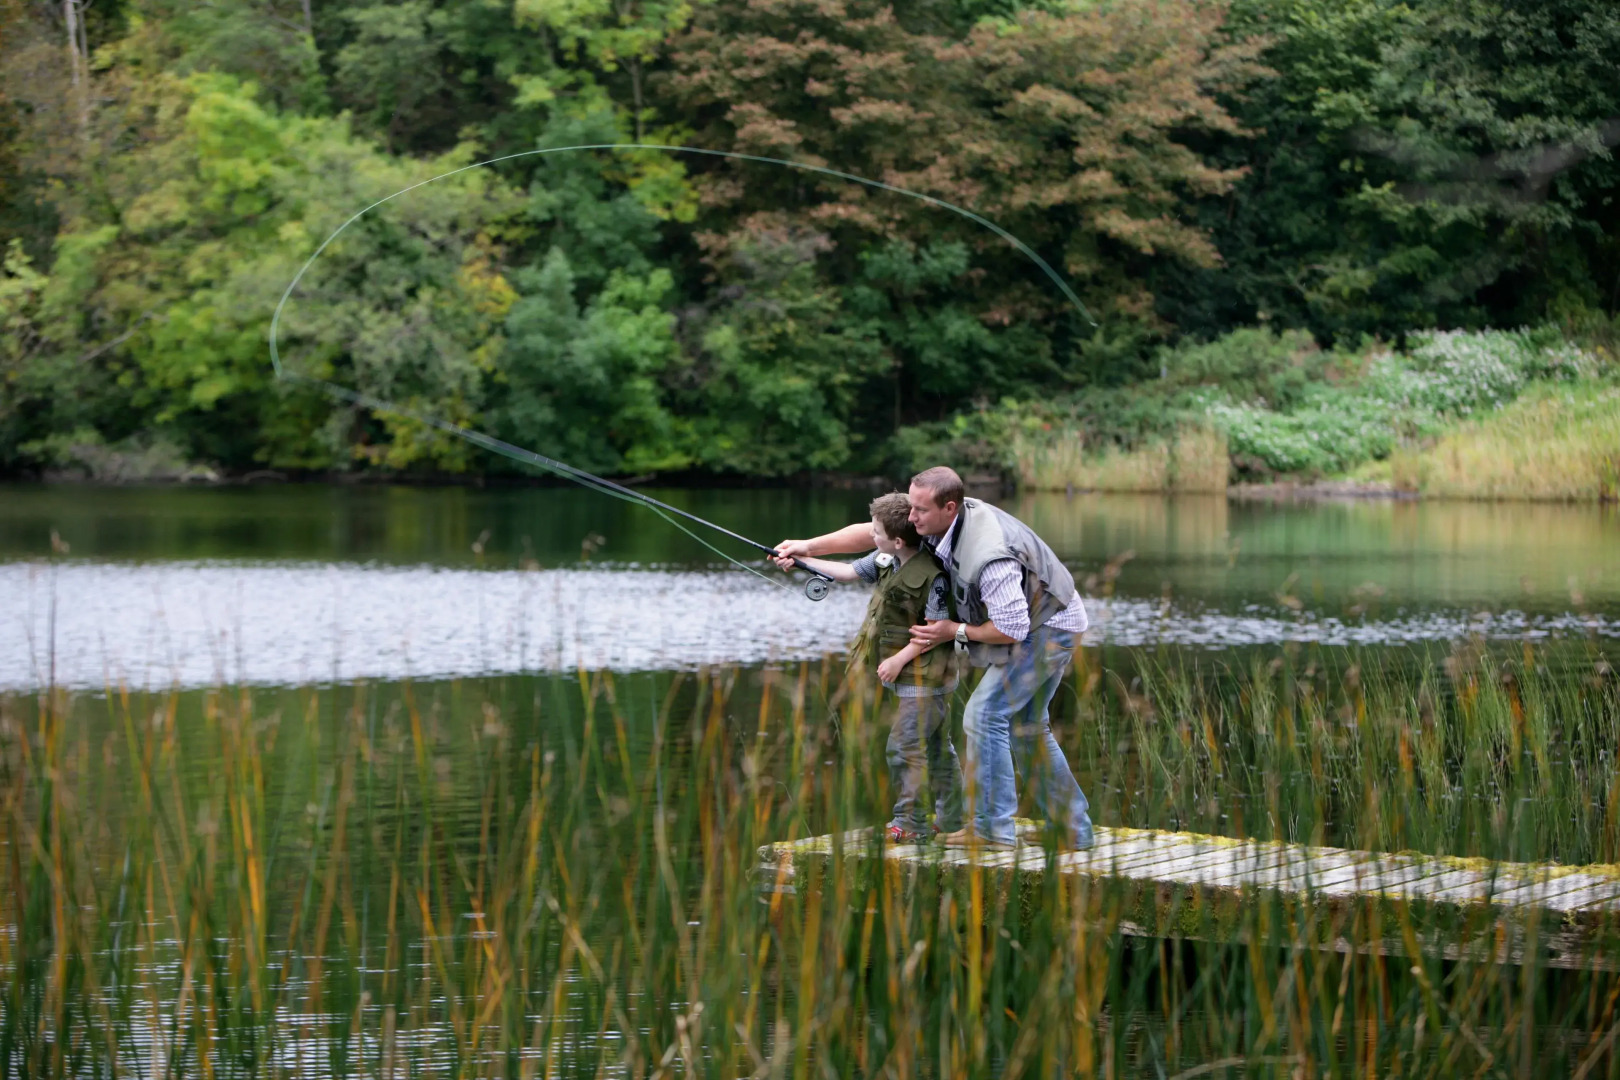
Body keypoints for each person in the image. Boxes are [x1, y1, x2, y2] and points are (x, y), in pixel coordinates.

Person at [775, 466, 1092, 850]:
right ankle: (1071, 829)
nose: (911, 518)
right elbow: (874, 533)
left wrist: (952, 630)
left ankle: (992, 831)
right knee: (1026, 726)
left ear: (949, 507)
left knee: (984, 715)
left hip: (1049, 626)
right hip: (1042, 618)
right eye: (911, 507)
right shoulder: (934, 521)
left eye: (920, 511)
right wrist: (808, 548)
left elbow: (1012, 628)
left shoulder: (988, 555)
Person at [789, 492, 966, 844]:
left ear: (897, 540)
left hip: (926, 678)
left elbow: (935, 631)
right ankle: (951, 820)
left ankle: (911, 823)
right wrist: (801, 559)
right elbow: (846, 572)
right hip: (915, 678)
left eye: (876, 532)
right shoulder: (886, 559)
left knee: (904, 747)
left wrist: (898, 659)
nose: (870, 535)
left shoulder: (934, 576)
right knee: (934, 747)